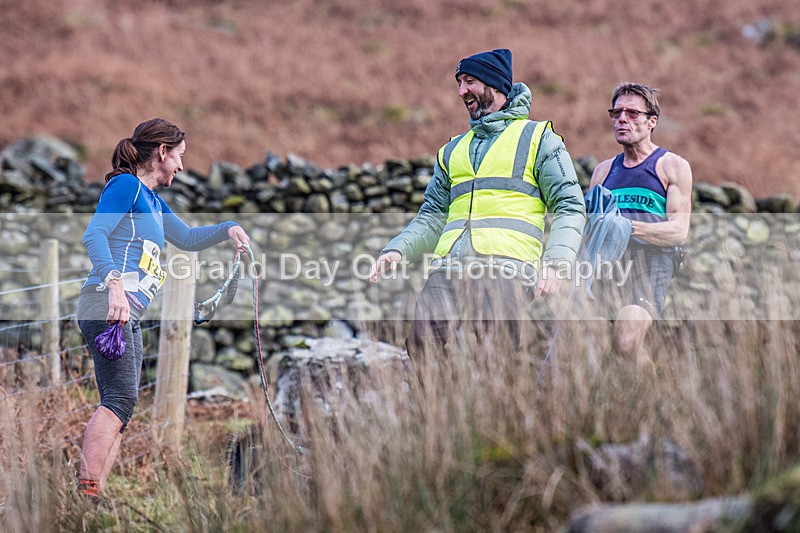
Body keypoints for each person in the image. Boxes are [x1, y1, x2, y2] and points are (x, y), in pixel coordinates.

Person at [369, 48, 586, 361]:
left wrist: (557, 262)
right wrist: (398, 249)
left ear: (494, 85)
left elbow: (569, 206)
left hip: (507, 268)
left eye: (469, 81)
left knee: (494, 358)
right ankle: (434, 412)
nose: (461, 91)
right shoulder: (451, 150)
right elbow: (432, 218)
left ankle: (499, 410)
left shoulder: (538, 138)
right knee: (420, 346)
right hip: (448, 268)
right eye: (458, 83)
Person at [76, 118, 251, 498]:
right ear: (162, 153)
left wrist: (229, 229)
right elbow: (95, 234)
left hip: (128, 312)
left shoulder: (153, 202)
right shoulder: (126, 186)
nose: (182, 167)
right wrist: (115, 285)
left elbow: (187, 238)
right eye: (180, 157)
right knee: (117, 401)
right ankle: (86, 492)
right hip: (107, 305)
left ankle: (94, 495)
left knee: (123, 405)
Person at [588, 82, 692, 357]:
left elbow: (679, 231)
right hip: (609, 267)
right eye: (617, 112)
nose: (622, 118)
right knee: (592, 342)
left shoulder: (672, 166)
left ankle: (659, 399)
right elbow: (590, 229)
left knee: (625, 341)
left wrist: (627, 227)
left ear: (651, 122)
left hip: (652, 262)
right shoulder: (602, 171)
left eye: (632, 113)